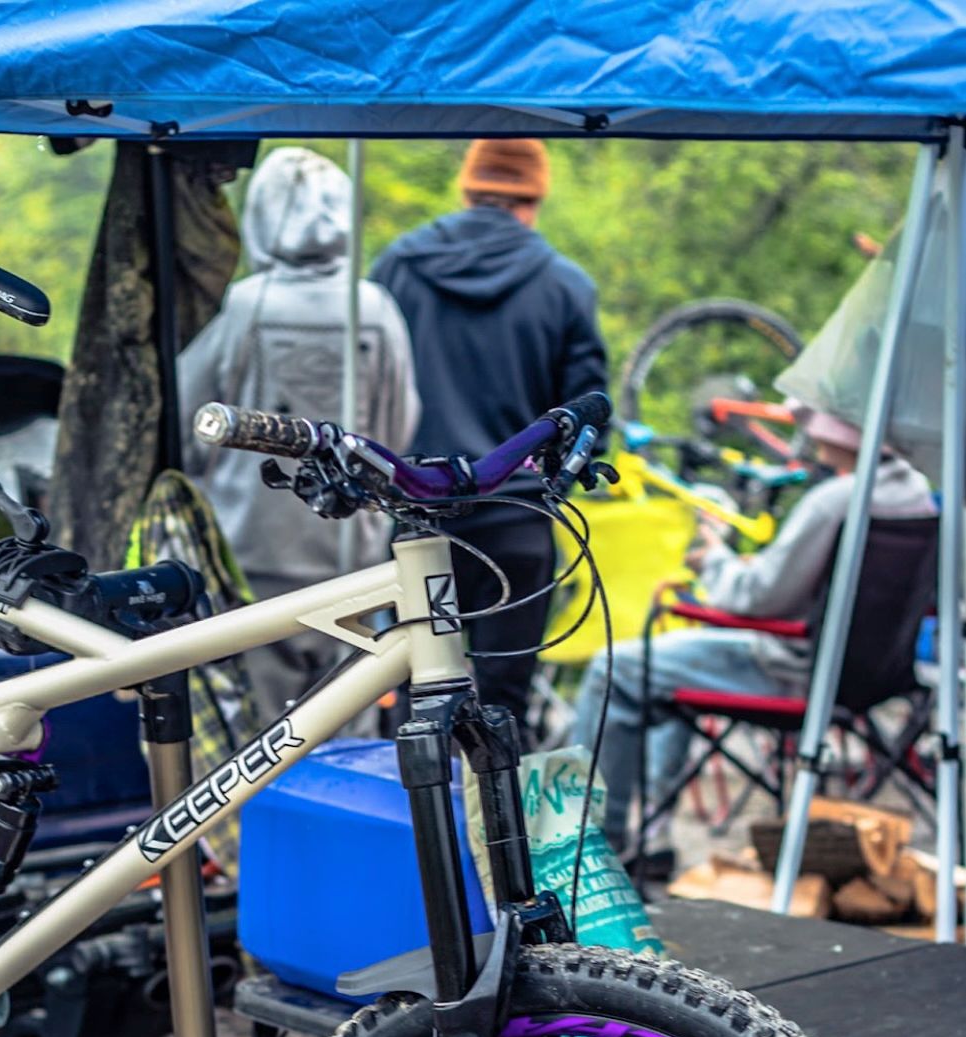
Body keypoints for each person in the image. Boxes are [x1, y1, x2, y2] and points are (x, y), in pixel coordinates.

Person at [572, 410, 937, 876]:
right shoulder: (920, 494)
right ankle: (655, 833)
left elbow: (758, 598)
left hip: (793, 673)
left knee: (615, 668)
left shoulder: (837, 500)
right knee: (666, 670)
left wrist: (716, 558)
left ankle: (599, 852)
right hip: (873, 676)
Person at [371, 138, 608, 738]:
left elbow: (363, 391)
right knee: (502, 712)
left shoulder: (397, 266)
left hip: (417, 521)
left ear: (467, 186)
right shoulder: (565, 286)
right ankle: (494, 833)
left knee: (414, 707)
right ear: (534, 197)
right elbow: (587, 421)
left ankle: (415, 831)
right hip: (516, 526)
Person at [179, 145, 421, 723]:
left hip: (254, 553)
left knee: (264, 733)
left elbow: (192, 418)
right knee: (348, 721)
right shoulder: (375, 308)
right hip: (352, 557)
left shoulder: (245, 306)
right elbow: (399, 425)